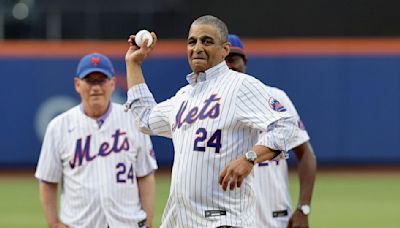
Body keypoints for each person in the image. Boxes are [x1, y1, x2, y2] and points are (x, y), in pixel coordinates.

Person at [125, 15, 299, 228]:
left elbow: (286, 125)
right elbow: (145, 119)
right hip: (181, 220)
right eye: (192, 41)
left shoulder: (240, 86)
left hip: (223, 220)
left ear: (225, 50)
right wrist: (133, 64)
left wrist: (249, 158)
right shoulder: (184, 96)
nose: (197, 47)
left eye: (206, 41)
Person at [35, 53, 158, 228]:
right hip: (79, 224)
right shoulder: (58, 126)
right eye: (90, 80)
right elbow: (47, 180)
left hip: (128, 222)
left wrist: (149, 219)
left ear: (113, 83)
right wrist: (53, 222)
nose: (96, 87)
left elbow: (145, 174)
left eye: (101, 79)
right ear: (78, 84)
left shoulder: (133, 119)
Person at [226, 34, 317, 228]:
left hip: (275, 218)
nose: (229, 66)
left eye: (233, 59)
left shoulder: (276, 98)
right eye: (222, 61)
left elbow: (306, 154)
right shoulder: (209, 107)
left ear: (245, 62)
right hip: (230, 218)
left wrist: (303, 208)